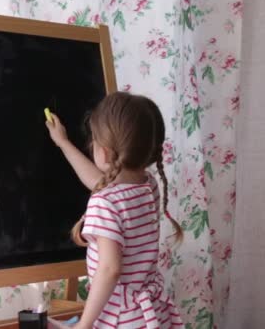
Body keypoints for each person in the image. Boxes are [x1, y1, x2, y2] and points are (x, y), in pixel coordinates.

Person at [45, 92, 184, 329]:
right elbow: (100, 182)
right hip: (148, 314)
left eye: (93, 139)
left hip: (121, 319)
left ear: (106, 152)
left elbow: (110, 269)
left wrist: (83, 325)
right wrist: (64, 144)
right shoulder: (147, 185)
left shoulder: (105, 202)